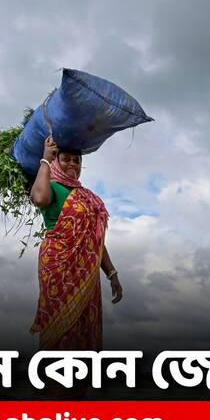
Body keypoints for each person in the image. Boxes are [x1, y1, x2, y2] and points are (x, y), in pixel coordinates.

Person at [30, 136, 123, 351]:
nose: (72, 164)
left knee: (83, 326)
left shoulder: (87, 197)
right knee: (61, 325)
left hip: (86, 270)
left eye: (77, 160)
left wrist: (112, 273)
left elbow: (95, 239)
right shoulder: (50, 186)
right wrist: (45, 159)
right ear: (56, 161)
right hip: (59, 266)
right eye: (66, 159)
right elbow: (41, 198)